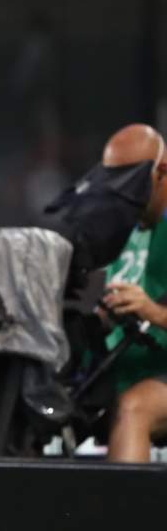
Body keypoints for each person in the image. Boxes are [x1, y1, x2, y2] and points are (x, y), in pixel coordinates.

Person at [97, 125, 167, 463]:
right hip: (117, 370)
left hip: (155, 378)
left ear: (161, 174)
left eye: (130, 183)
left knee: (135, 408)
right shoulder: (116, 228)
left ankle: (125, 515)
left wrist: (152, 311)